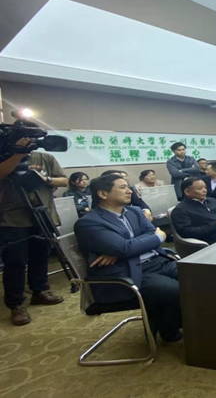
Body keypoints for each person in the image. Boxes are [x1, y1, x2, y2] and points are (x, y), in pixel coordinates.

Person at [74, 174, 181, 342]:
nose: (130, 191)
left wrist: (126, 247)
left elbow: (141, 238)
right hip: (130, 272)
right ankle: (171, 328)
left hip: (158, 260)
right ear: (103, 194)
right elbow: (125, 247)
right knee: (176, 290)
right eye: (123, 187)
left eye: (129, 187)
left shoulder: (135, 211)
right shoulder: (89, 222)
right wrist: (156, 238)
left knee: (199, 278)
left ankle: (171, 323)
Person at [0, 139, 67, 325]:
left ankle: (40, 291)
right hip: (13, 218)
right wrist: (18, 155)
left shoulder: (45, 157)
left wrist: (46, 179)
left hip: (42, 214)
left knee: (40, 256)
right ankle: (16, 304)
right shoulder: (5, 156)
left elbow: (64, 180)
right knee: (15, 262)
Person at [170, 177, 216, 245]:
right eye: (199, 189)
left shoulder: (212, 201)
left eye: (205, 188)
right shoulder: (181, 210)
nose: (204, 190)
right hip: (214, 240)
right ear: (187, 192)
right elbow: (186, 232)